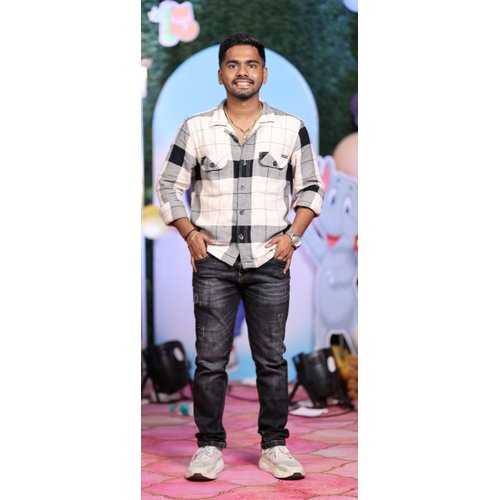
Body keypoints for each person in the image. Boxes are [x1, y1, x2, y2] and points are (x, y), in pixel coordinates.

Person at [156, 32, 324, 481]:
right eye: (233, 65)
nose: (242, 72)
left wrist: (293, 237)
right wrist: (189, 233)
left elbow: (310, 188)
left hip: (270, 260)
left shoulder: (290, 128)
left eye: (251, 65)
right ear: (220, 74)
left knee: (272, 360)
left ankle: (274, 446)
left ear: (264, 73)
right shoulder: (196, 128)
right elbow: (168, 186)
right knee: (210, 360)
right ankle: (208, 447)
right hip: (213, 261)